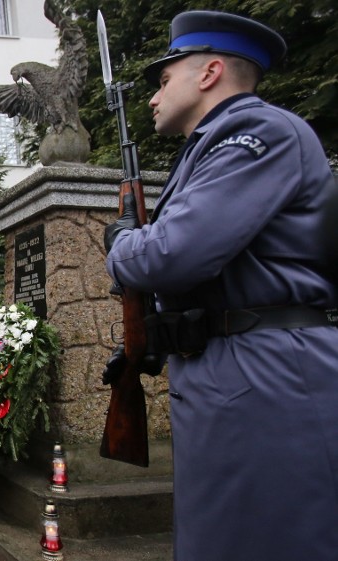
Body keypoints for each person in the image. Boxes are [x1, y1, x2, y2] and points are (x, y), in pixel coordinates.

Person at [103, 11, 338, 561]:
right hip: (234, 369)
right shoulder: (212, 144)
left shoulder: (256, 131)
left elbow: (170, 255)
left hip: (265, 374)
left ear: (208, 73)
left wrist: (121, 246)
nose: (155, 98)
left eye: (164, 80)